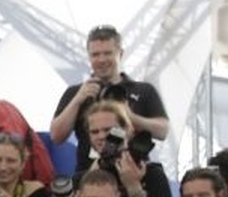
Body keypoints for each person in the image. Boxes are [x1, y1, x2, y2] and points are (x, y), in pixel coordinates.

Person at [50, 24, 169, 172]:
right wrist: (78, 100)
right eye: (95, 55)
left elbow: (163, 131)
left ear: (120, 54)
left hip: (134, 170)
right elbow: (56, 136)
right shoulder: (76, 92)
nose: (101, 60)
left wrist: (131, 118)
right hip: (90, 175)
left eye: (107, 53)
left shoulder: (143, 90)